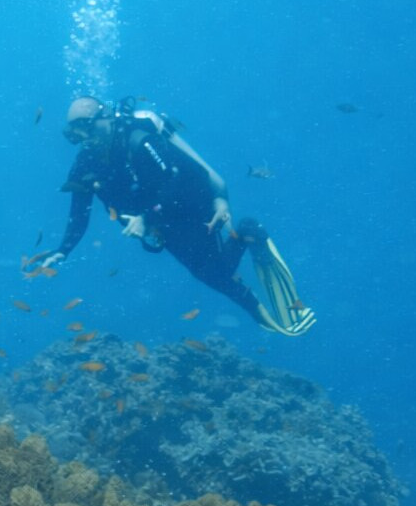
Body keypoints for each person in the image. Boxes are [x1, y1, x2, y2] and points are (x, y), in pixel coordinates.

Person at [30, 96, 315, 336]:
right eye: (75, 135)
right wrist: (63, 251)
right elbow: (79, 213)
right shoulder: (85, 162)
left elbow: (186, 177)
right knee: (212, 274)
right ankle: (252, 275)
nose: (85, 140)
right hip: (159, 223)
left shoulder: (138, 141)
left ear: (106, 119)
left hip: (188, 205)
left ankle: (250, 233)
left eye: (87, 129)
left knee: (215, 273)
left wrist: (145, 217)